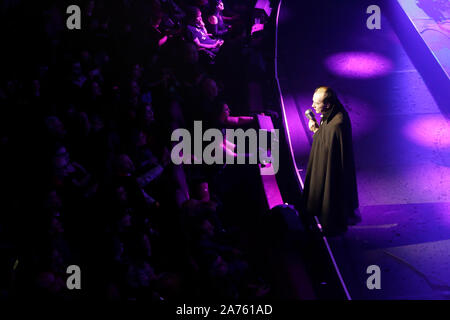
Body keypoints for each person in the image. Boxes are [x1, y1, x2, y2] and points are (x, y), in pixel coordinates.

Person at [302, 86, 360, 236]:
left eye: (317, 103)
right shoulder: (331, 113)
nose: (313, 106)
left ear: (327, 104)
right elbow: (325, 138)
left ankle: (332, 223)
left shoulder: (337, 125)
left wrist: (315, 131)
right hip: (327, 156)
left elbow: (329, 148)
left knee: (331, 191)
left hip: (332, 170)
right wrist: (319, 129)